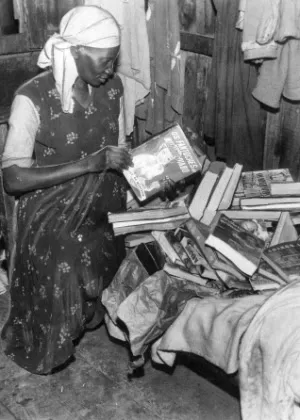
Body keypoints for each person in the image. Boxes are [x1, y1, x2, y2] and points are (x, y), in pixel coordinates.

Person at [0, 5, 133, 374]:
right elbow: (13, 179)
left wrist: (158, 166)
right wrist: (89, 164)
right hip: (50, 206)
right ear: (75, 51)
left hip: (105, 194)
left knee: (134, 236)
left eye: (114, 61)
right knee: (68, 253)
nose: (110, 70)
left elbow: (119, 150)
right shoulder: (32, 98)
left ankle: (95, 317)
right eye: (104, 61)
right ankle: (47, 338)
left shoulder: (115, 88)